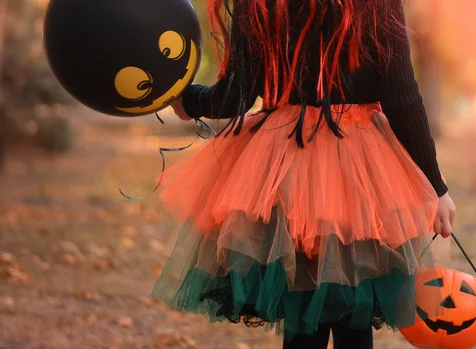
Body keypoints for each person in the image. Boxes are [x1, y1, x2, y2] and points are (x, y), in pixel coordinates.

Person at [156, 1, 456, 348]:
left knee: (302, 312)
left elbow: (234, 98)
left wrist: (188, 99)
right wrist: (436, 186)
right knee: (352, 315)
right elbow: (401, 97)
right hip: (358, 166)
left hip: (286, 161)